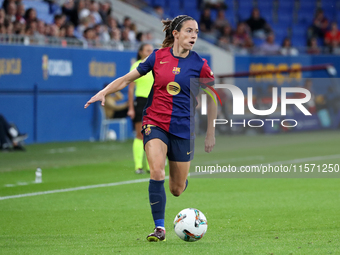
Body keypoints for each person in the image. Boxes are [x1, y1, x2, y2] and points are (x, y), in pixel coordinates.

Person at [84, 15, 217, 242]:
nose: (193, 36)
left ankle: (181, 179)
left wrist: (211, 132)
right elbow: (127, 79)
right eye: (188, 31)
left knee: (176, 188)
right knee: (156, 171)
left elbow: (213, 98)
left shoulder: (200, 65)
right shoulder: (158, 57)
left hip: (183, 128)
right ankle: (159, 228)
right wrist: (105, 91)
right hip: (154, 121)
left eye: (196, 32)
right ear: (175, 33)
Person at [127, 43, 154, 174]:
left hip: (155, 102)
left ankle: (150, 165)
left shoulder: (156, 65)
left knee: (153, 134)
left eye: (151, 50)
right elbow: (131, 89)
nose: (150, 52)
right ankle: (138, 166)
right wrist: (131, 108)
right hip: (141, 101)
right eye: (147, 50)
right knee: (140, 134)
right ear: (141, 52)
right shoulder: (136, 66)